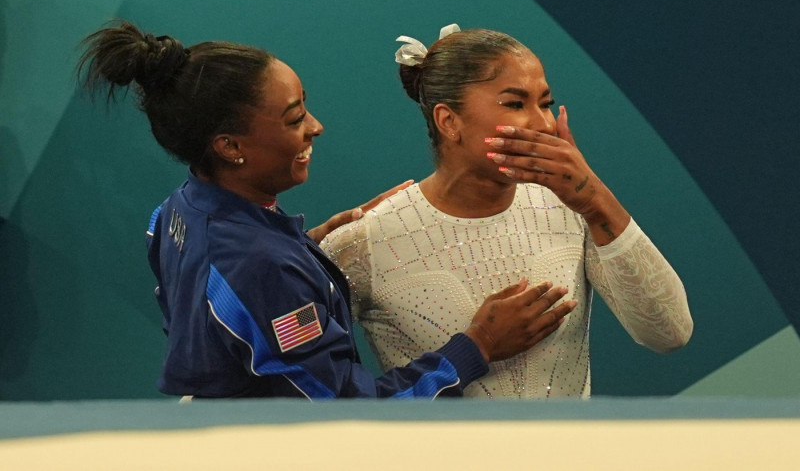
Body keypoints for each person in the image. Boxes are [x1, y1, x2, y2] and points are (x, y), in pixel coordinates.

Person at [76, 20, 578, 399]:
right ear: (230, 146)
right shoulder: (260, 264)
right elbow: (348, 415)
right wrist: (478, 344)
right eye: (294, 119)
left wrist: (304, 250)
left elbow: (213, 308)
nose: (316, 127)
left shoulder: (177, 212)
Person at [321, 24, 693, 399]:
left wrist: (594, 200)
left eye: (545, 103)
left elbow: (670, 333)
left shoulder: (572, 207)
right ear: (449, 122)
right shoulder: (363, 243)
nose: (543, 123)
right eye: (515, 104)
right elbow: (317, 394)